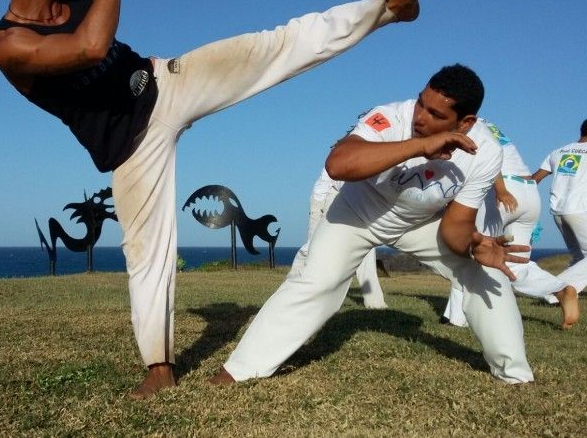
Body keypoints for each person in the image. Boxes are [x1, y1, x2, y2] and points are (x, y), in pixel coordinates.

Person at [0, 0, 431, 398]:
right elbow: (89, 46)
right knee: (148, 254)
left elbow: (103, 36)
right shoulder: (9, 44)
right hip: (129, 146)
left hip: (163, 84)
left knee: (270, 46)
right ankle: (160, 367)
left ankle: (387, 7)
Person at [212, 64, 536, 387]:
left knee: (485, 273)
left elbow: (455, 227)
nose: (420, 117)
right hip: (357, 213)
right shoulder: (391, 117)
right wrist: (421, 145)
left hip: (419, 222)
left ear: (465, 123)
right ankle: (240, 370)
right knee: (315, 281)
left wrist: (474, 245)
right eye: (421, 103)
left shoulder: (485, 154)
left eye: (436, 114)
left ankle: (516, 376)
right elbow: (338, 163)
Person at [441, 119, 579, 329]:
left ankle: (457, 318)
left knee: (473, 251)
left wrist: (501, 189)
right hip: (529, 191)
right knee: (516, 263)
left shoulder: (465, 124)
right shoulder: (490, 125)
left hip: (500, 189)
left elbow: (487, 156)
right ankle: (560, 289)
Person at [289, 168, 388, 309]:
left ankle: (375, 302)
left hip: (351, 199)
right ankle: (293, 288)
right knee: (312, 249)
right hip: (324, 199)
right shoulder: (343, 154)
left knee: (366, 248)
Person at [532, 119, 587, 301]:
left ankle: (568, 293)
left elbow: (535, 179)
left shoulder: (558, 152)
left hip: (558, 212)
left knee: (579, 257)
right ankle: (553, 291)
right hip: (580, 210)